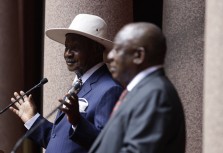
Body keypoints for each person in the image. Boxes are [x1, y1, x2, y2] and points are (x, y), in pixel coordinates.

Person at [10, 14, 123, 153]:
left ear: (96, 50)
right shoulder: (79, 84)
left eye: (75, 47)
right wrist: (32, 119)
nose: (67, 54)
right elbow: (61, 141)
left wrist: (77, 121)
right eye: (66, 47)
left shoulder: (109, 89)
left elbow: (107, 145)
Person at [88, 22, 186, 153]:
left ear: (139, 55)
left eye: (117, 49)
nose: (110, 56)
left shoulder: (155, 94)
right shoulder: (142, 91)